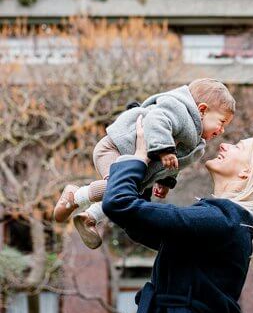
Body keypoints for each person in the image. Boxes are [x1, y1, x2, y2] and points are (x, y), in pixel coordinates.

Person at [104, 114, 253, 313]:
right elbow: (141, 226)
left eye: (239, 147)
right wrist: (149, 172)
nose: (225, 144)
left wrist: (138, 157)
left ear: (247, 172)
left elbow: (119, 205)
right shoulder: (229, 224)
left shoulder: (222, 222)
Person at [54, 78, 236, 249]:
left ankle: (90, 217)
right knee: (118, 188)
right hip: (114, 148)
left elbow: (175, 162)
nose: (222, 130)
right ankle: (75, 196)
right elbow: (156, 121)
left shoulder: (196, 144)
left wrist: (165, 181)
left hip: (133, 167)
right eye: (221, 122)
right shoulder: (178, 110)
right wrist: (164, 148)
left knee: (126, 193)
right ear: (202, 110)